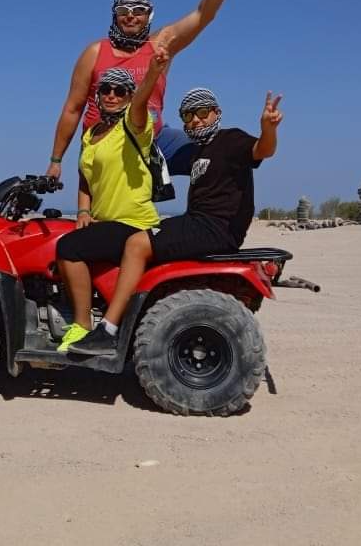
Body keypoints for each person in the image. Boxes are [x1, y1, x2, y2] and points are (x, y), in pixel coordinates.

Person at [68, 87, 283, 355]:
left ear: (216, 113)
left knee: (136, 244)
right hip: (197, 222)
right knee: (143, 238)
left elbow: (262, 150)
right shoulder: (198, 150)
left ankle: (108, 331)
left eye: (202, 112)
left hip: (213, 227)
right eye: (188, 116)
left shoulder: (230, 139)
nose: (196, 120)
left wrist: (268, 129)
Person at [45, 0, 241, 180]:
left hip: (155, 140)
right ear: (115, 15)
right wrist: (56, 160)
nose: (131, 15)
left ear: (149, 16)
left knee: (219, 153)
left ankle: (207, 207)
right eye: (123, 10)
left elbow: (204, 14)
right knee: (108, 205)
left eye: (138, 10)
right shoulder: (94, 52)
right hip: (105, 147)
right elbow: (72, 109)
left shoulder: (160, 45)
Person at [53, 46, 171, 352]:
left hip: (133, 223)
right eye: (105, 89)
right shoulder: (91, 133)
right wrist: (83, 211)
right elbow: (85, 177)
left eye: (120, 91)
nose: (112, 95)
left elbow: (142, 100)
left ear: (129, 96)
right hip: (104, 222)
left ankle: (83, 326)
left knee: (68, 248)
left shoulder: (133, 125)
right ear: (98, 95)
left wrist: (153, 72)